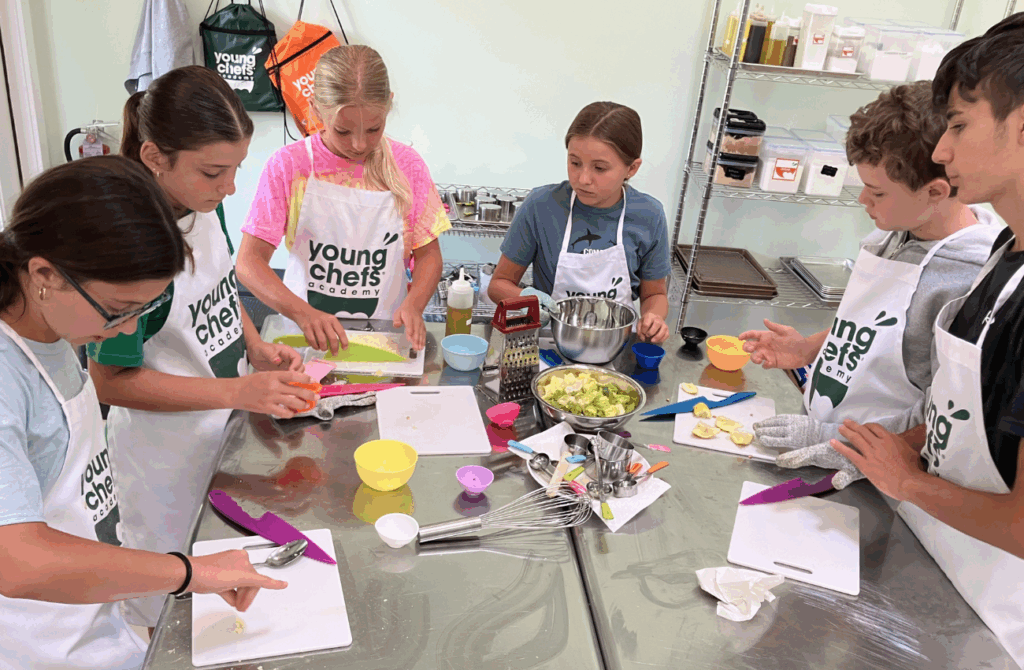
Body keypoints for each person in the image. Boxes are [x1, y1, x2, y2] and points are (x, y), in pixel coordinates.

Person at [0, 157, 286, 670]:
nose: (126, 332)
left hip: (94, 623)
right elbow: (16, 560)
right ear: (44, 273)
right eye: (118, 309)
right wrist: (187, 572)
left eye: (141, 312)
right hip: (37, 646)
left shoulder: (53, 328)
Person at [87, 66, 316, 629]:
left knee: (226, 598)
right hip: (164, 459)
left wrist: (255, 345)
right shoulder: (131, 247)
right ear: (154, 157)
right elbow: (111, 381)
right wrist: (239, 389)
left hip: (222, 433)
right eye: (215, 171)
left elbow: (218, 285)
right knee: (172, 613)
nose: (230, 188)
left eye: (236, 168)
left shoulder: (203, 203)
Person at [829, 15, 1024, 666]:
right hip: (933, 559)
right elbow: (956, 415)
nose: (942, 150)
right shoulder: (1005, 258)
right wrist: (876, 452)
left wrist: (905, 479)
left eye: (961, 125)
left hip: (994, 621)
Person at [739, 82, 1001, 489]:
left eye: (877, 192)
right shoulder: (898, 231)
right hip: (834, 435)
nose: (863, 199)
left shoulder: (966, 280)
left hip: (880, 471)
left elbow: (944, 412)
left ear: (935, 191)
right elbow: (879, 327)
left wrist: (842, 442)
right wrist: (810, 347)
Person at [236, 45, 449, 354]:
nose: (359, 144)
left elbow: (429, 255)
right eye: (343, 131)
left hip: (384, 337)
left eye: (374, 128)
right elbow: (248, 263)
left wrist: (415, 304)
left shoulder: (408, 165)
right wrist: (302, 313)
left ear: (388, 106)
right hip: (304, 337)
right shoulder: (290, 166)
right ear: (317, 110)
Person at [487, 102, 672, 344]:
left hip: (615, 347)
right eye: (575, 163)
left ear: (632, 168)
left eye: (600, 168)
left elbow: (655, 293)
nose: (583, 179)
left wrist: (653, 318)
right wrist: (528, 299)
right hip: (549, 342)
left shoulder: (649, 215)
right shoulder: (541, 206)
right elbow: (498, 285)